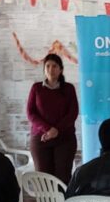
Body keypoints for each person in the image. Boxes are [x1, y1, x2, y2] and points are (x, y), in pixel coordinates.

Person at [26, 53, 79, 185]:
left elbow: (73, 113)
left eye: (54, 66)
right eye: (48, 66)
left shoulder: (68, 89)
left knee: (63, 180)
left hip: (65, 140)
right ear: (44, 69)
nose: (51, 69)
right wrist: (49, 130)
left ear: (60, 69)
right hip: (41, 139)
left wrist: (56, 130)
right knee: (44, 181)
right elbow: (30, 113)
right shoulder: (36, 88)